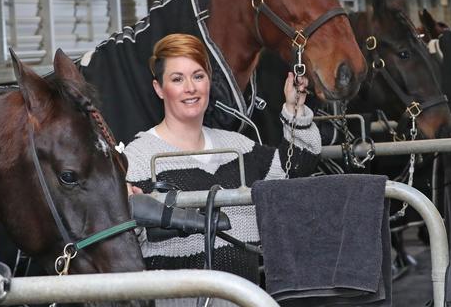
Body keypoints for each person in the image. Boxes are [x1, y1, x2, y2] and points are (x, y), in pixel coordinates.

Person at [124, 33, 321, 303]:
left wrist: (294, 107)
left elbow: (296, 166)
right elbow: (121, 247)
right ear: (159, 88)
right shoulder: (135, 159)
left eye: (198, 76)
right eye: (177, 79)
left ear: (208, 81)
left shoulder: (239, 147)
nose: (190, 88)